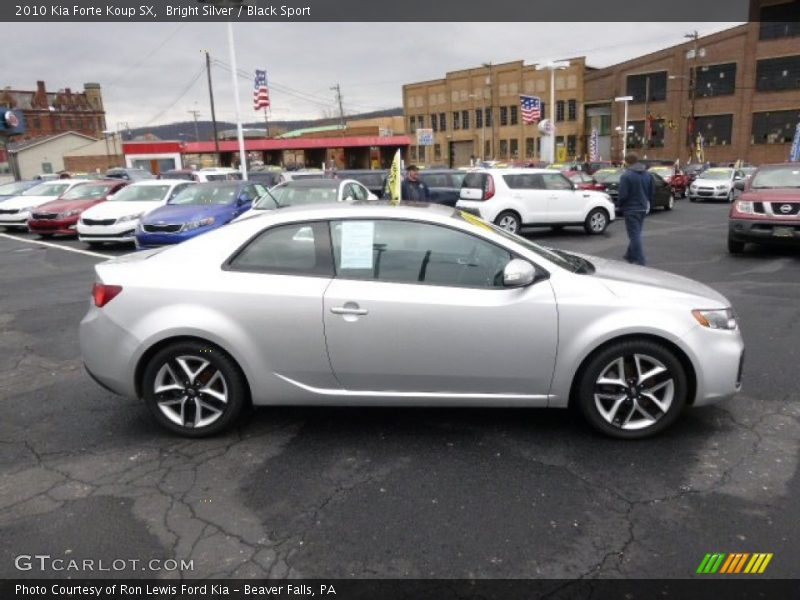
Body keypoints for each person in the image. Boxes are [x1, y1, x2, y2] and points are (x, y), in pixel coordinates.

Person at [617, 152, 653, 266]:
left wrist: (619, 205)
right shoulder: (648, 175)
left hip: (630, 209)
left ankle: (640, 260)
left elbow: (623, 195)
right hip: (642, 208)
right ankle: (630, 255)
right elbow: (651, 192)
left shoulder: (626, 176)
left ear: (627, 162)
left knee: (634, 235)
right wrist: (648, 203)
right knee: (636, 233)